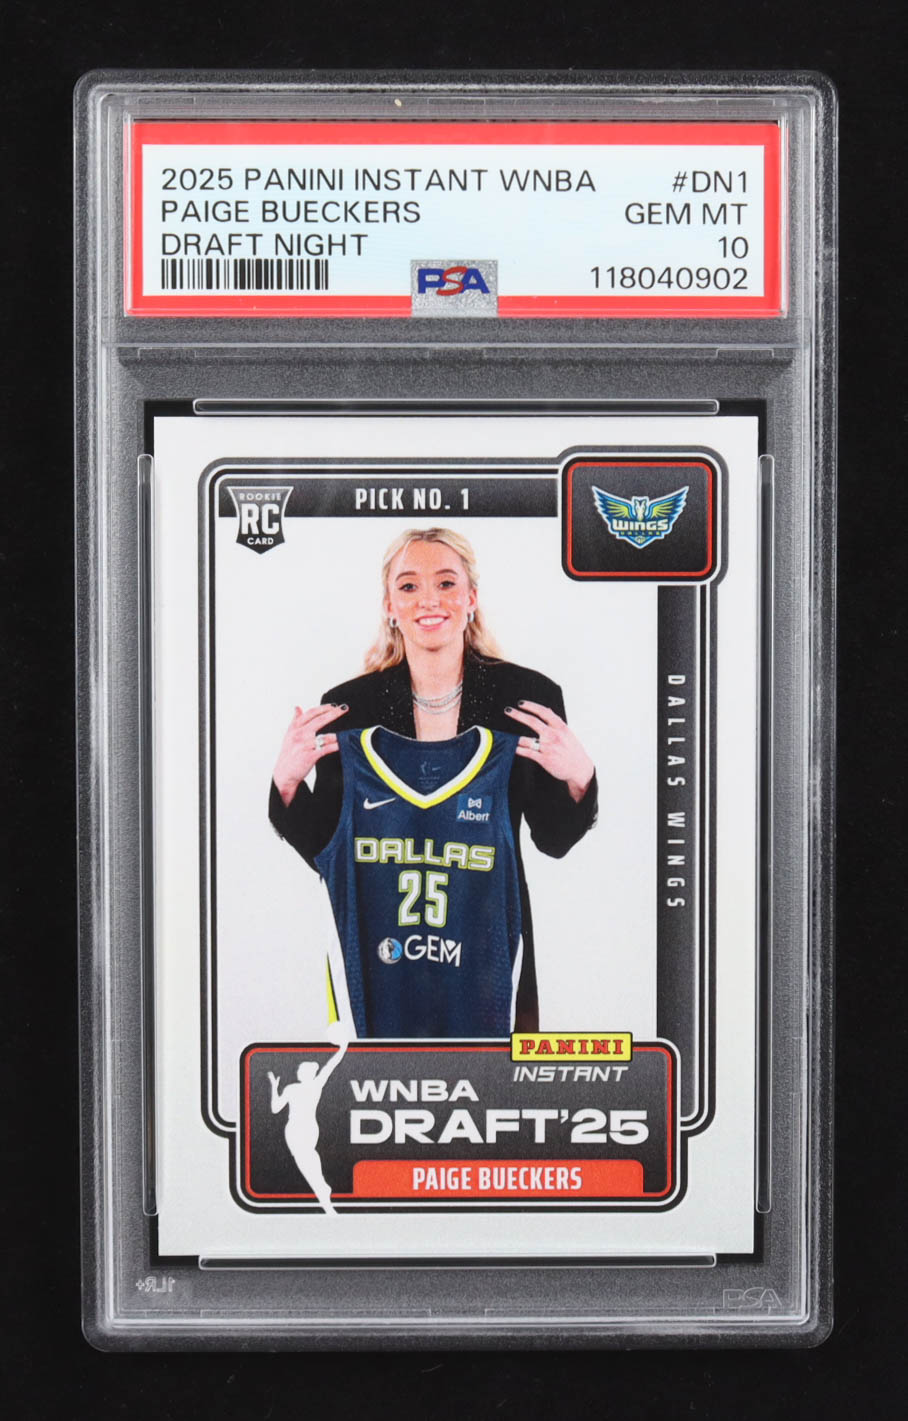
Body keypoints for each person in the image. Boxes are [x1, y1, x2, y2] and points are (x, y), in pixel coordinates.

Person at [269, 527, 597, 1032]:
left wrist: (580, 777)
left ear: (472, 598)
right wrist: (287, 785)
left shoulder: (526, 699)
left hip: (486, 948)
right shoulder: (350, 708)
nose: (429, 600)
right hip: (383, 951)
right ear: (388, 605)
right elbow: (330, 850)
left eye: (446, 583)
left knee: (489, 1078)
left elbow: (553, 840)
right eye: (409, 586)